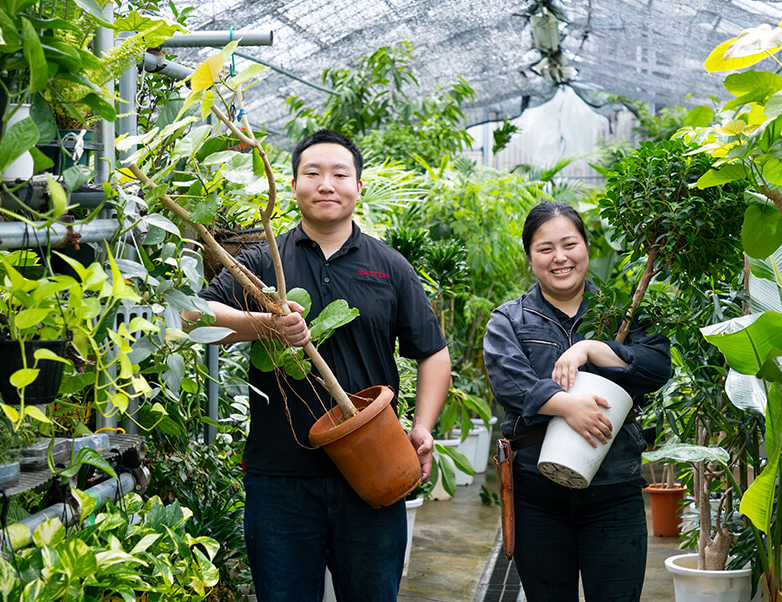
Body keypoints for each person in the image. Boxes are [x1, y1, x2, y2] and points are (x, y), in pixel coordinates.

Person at [195, 129, 451, 601]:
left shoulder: (389, 266)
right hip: (281, 479)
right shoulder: (261, 264)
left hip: (373, 471)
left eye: (340, 174)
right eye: (312, 173)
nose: (326, 184)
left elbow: (433, 352)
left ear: (358, 186)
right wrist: (265, 325)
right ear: (292, 186)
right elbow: (194, 314)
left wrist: (423, 426)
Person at [483, 201, 672, 602]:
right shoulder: (508, 321)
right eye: (545, 248)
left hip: (615, 490)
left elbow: (658, 367)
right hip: (537, 492)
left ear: (585, 246)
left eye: (569, 244)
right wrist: (567, 406)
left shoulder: (626, 312)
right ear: (530, 257)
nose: (560, 258)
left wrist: (595, 349)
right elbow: (509, 383)